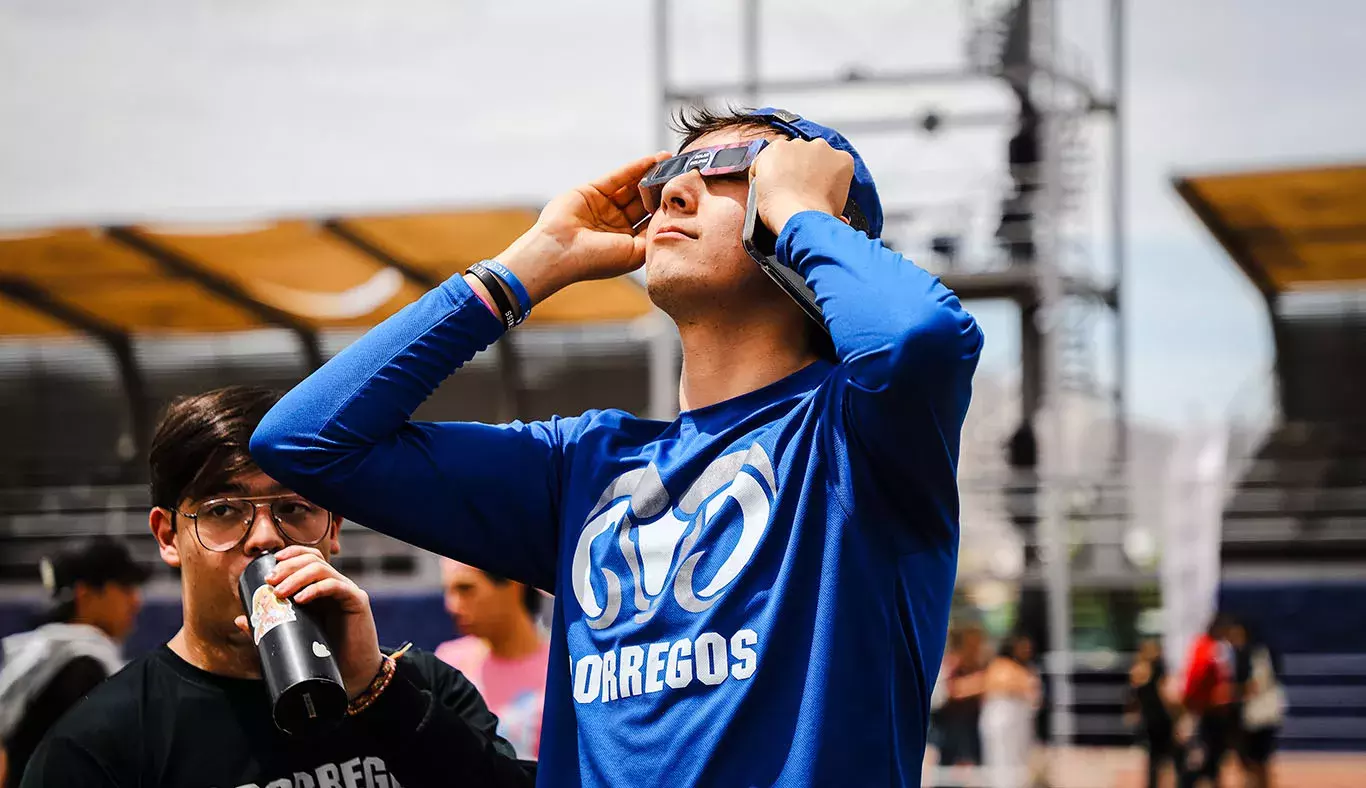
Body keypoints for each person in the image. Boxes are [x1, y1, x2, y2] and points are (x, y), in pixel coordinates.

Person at [252, 105, 983, 786]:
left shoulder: (859, 437)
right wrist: (525, 269)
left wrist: (802, 212)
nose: (676, 195)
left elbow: (915, 337)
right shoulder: (582, 464)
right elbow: (307, 442)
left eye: (735, 169)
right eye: (669, 177)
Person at [21, 386, 533, 788]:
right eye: (223, 512)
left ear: (332, 529)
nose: (265, 538)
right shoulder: (101, 745)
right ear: (168, 536)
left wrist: (377, 690)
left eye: (293, 508)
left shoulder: (420, 688)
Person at [0, 536, 147, 788]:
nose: (136, 601)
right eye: (125, 588)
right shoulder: (82, 670)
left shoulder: (38, 657)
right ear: (85, 594)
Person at [436, 559, 550, 760]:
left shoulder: (563, 669)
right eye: (448, 590)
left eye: (466, 588)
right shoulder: (448, 662)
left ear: (513, 583)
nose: (451, 605)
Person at [1179, 614, 1236, 788]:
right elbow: (1195, 680)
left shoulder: (1208, 647)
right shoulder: (1208, 649)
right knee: (1203, 758)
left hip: (1209, 710)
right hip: (1207, 711)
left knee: (1211, 759)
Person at [979, 634, 1040, 788]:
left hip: (1020, 718)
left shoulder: (1027, 668)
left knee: (1018, 759)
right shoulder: (1000, 666)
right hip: (1002, 716)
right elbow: (999, 685)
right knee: (1000, 758)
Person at [1228, 621, 1283, 788]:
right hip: (1245, 714)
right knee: (1246, 761)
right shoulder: (1235, 655)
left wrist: (1233, 691)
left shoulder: (1258, 654)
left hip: (1260, 714)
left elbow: (1258, 684)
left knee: (1259, 760)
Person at [1127, 638, 1177, 788]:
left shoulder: (1137, 671)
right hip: (1161, 719)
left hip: (1148, 720)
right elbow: (1167, 696)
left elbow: (1132, 699)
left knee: (1153, 760)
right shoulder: (1158, 670)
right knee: (1167, 759)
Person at [937, 625, 987, 773]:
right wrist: (981, 683)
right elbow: (952, 690)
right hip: (955, 728)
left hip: (972, 724)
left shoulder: (977, 664)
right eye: (973, 641)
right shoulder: (953, 662)